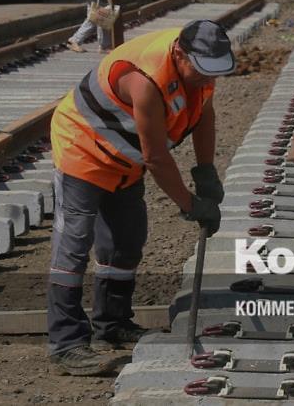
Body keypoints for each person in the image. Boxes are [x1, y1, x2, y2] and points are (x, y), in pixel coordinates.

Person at [46, 20, 235, 375]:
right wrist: (190, 205)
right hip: (83, 148)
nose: (207, 78)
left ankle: (112, 324)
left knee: (126, 239)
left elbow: (204, 114)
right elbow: (156, 158)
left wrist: (206, 171)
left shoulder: (199, 71)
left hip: (123, 156)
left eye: (213, 72)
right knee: (73, 244)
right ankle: (66, 344)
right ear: (180, 54)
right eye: (201, 70)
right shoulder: (145, 79)